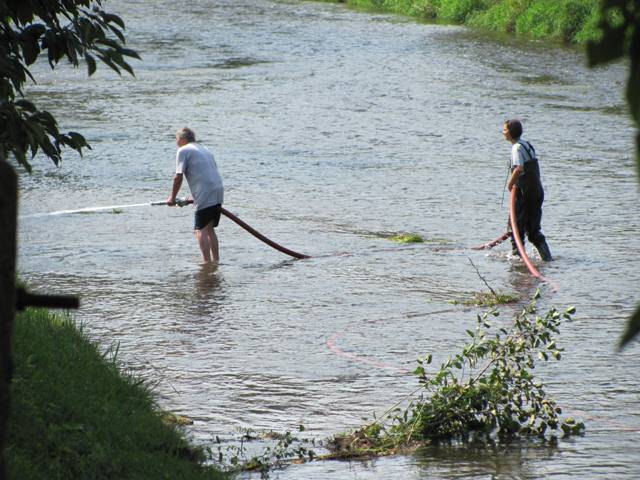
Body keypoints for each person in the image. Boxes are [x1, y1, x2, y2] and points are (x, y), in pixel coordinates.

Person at [167, 127, 224, 264]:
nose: (176, 143)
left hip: (205, 192)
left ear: (182, 139)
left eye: (176, 139)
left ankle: (206, 263)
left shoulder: (183, 150)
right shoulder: (204, 149)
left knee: (200, 230)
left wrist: (172, 198)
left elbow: (178, 177)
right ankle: (215, 261)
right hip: (218, 190)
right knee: (209, 228)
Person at [503, 119, 553, 261]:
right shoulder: (527, 145)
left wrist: (510, 184)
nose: (502, 132)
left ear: (511, 133)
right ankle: (548, 260)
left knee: (516, 230)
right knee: (533, 231)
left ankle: (517, 261)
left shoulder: (516, 148)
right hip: (536, 192)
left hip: (524, 195)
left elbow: (519, 168)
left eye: (505, 129)